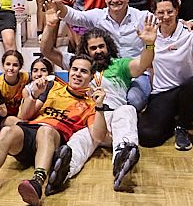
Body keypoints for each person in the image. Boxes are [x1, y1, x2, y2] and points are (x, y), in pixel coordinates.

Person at [0, 54, 100, 206]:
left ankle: (37, 182)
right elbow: (24, 116)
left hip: (53, 137)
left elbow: (98, 135)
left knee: (45, 131)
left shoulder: (91, 104)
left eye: (83, 71)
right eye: (74, 69)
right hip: (31, 131)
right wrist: (34, 95)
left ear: (91, 76)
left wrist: (100, 107)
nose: (77, 74)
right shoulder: (53, 86)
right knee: (7, 130)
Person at [43, 15, 157, 190]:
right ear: (86, 50)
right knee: (78, 141)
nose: (98, 51)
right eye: (93, 48)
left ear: (108, 47)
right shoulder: (80, 65)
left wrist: (149, 45)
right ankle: (61, 173)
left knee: (128, 109)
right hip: (91, 119)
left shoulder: (120, 65)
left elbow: (143, 63)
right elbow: (47, 51)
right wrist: (51, 25)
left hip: (116, 120)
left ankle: (122, 159)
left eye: (101, 46)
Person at [50, 0, 152, 109]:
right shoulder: (98, 16)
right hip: (108, 71)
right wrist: (59, 4)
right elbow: (74, 16)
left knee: (134, 100)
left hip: (136, 72)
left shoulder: (143, 17)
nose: (115, 0)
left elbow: (166, 21)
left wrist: (184, 23)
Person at [139, 0, 193, 151]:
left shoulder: (190, 32)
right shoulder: (150, 33)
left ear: (177, 11)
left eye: (170, 12)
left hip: (186, 91)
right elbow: (145, 63)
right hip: (161, 93)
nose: (166, 17)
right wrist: (148, 44)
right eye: (161, 13)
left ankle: (182, 127)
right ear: (154, 14)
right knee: (147, 137)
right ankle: (174, 121)